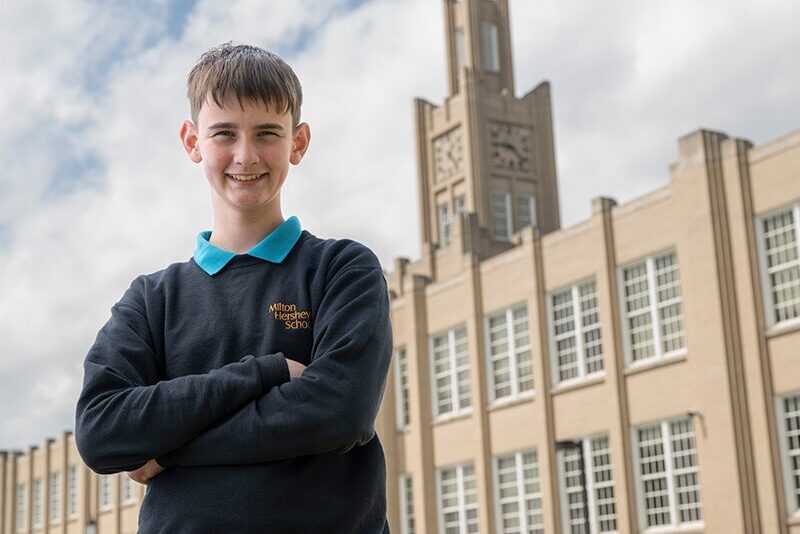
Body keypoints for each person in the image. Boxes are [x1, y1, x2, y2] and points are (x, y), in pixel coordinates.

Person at [74, 43, 393, 533]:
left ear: (298, 142)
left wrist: (170, 449)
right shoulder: (150, 300)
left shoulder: (342, 269)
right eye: (225, 133)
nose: (246, 156)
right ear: (192, 141)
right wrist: (264, 373)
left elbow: (340, 413)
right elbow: (100, 432)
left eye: (267, 133)